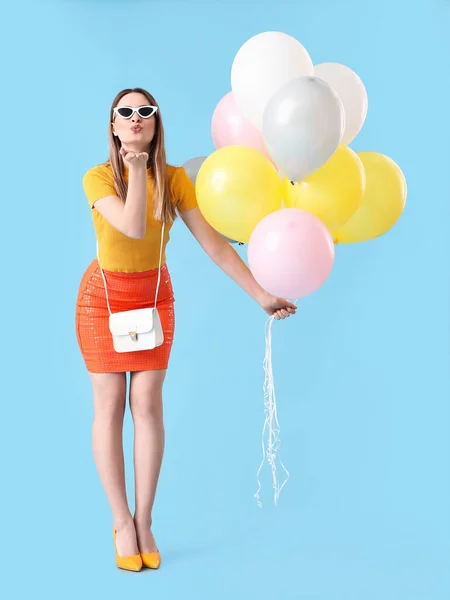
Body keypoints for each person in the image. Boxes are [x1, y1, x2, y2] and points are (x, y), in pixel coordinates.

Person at [75, 87, 297, 572]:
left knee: (148, 405)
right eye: (125, 112)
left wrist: (261, 294)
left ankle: (146, 519)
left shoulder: (176, 181)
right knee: (109, 407)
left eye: (145, 111)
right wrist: (134, 172)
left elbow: (215, 247)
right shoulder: (98, 177)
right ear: (113, 126)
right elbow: (132, 228)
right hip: (103, 299)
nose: (135, 118)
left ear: (157, 124)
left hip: (154, 297)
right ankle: (121, 522)